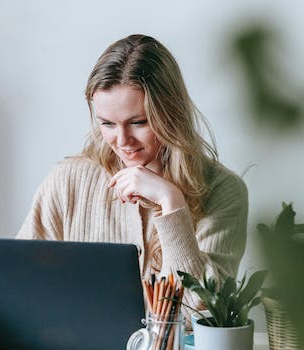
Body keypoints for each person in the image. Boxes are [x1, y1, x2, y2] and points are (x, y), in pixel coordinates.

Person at [15, 34, 248, 305]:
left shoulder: (223, 191)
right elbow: (19, 278)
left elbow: (205, 312)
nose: (123, 141)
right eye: (108, 124)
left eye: (138, 122)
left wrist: (171, 202)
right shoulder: (68, 180)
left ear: (170, 113)